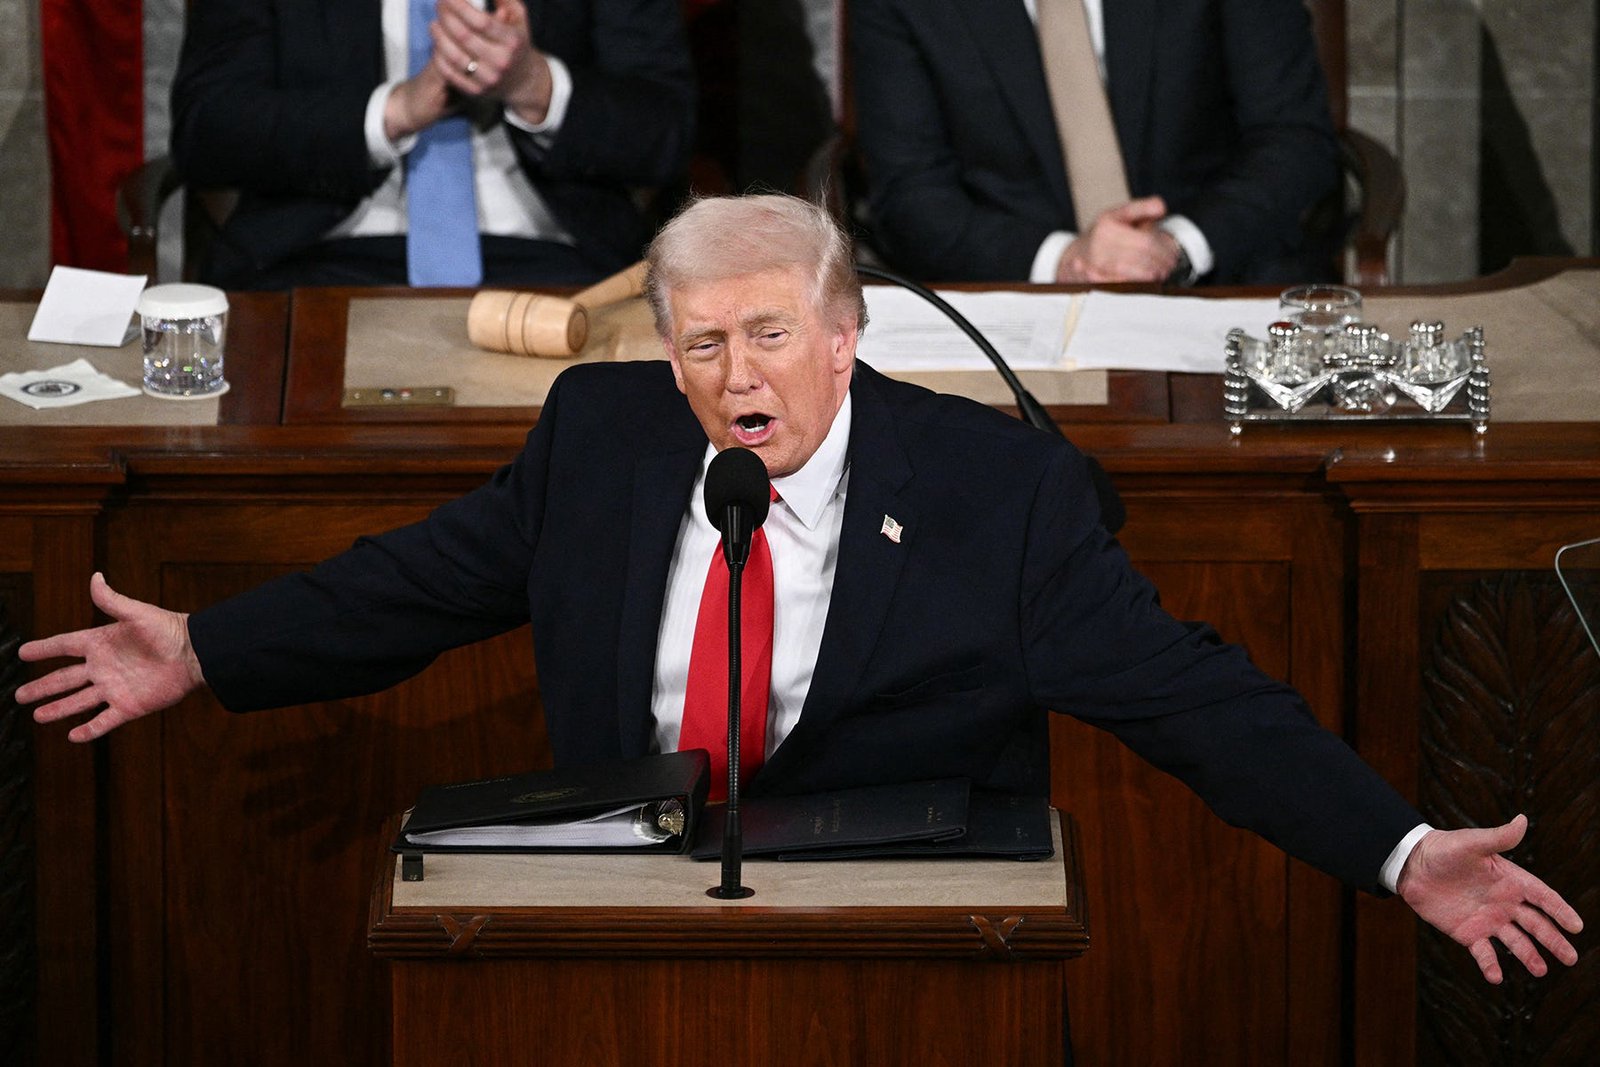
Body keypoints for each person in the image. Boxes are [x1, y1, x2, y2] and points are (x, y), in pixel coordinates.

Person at [19, 193, 1581, 988]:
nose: (733, 376)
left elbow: (1192, 693)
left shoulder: (995, 498)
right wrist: (211, 647)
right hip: (620, 912)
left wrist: (1398, 847)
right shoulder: (603, 436)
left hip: (894, 923)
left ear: (845, 334)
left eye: (768, 335)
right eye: (700, 342)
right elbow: (419, 583)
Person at [169, 0, 695, 289]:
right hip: (311, 264)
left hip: (561, 269)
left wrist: (534, 86)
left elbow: (666, 132)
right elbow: (206, 130)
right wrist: (393, 112)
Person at [849, 0, 1341, 285]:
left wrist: (1174, 246)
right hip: (1010, 300)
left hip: (1223, 276)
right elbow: (911, 195)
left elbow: (1294, 138)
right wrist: (1069, 260)